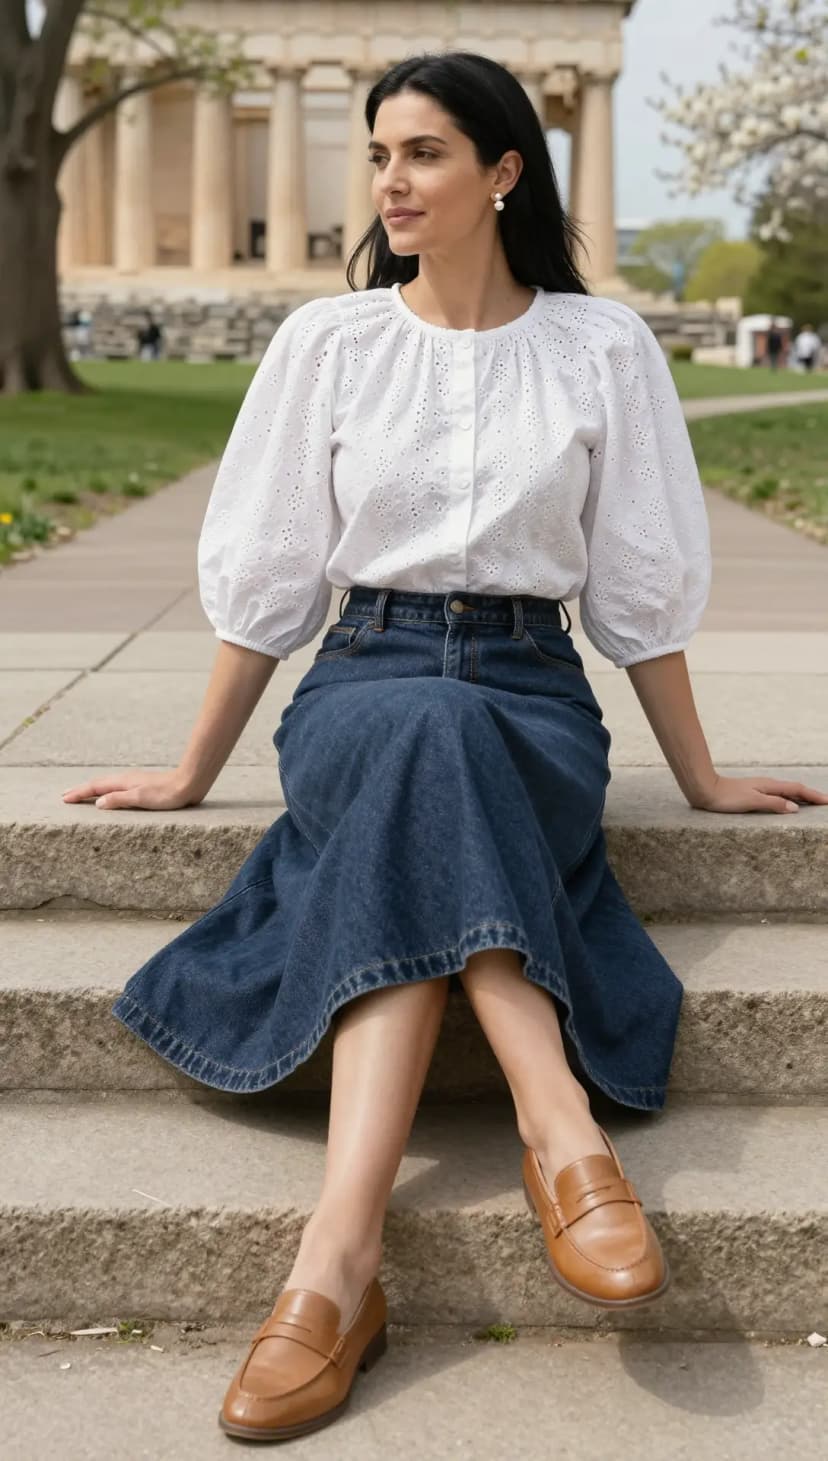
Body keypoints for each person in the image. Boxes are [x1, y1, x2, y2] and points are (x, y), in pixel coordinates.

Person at [62, 52, 828, 1444]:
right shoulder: (328, 345)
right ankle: (558, 1125)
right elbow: (275, 579)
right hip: (362, 675)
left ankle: (336, 1272)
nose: (391, 183)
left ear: (504, 171)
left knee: (454, 732)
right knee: (420, 722)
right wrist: (189, 767)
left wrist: (703, 772)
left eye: (422, 153)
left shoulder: (605, 351)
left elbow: (637, 588)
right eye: (377, 156)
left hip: (536, 691)